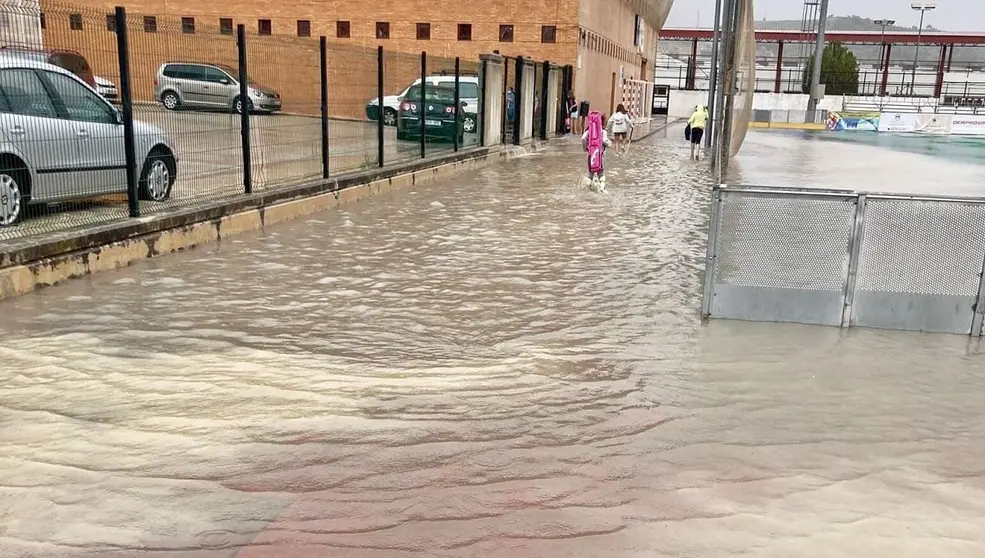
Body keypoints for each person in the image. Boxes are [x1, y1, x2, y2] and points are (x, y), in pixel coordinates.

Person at [581, 111, 612, 192]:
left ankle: (587, 190)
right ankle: (602, 188)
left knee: (590, 173)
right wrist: (609, 144)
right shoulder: (603, 131)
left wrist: (585, 148)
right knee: (601, 172)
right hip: (600, 155)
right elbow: (605, 141)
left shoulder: (588, 131)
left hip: (590, 154)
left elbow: (583, 138)